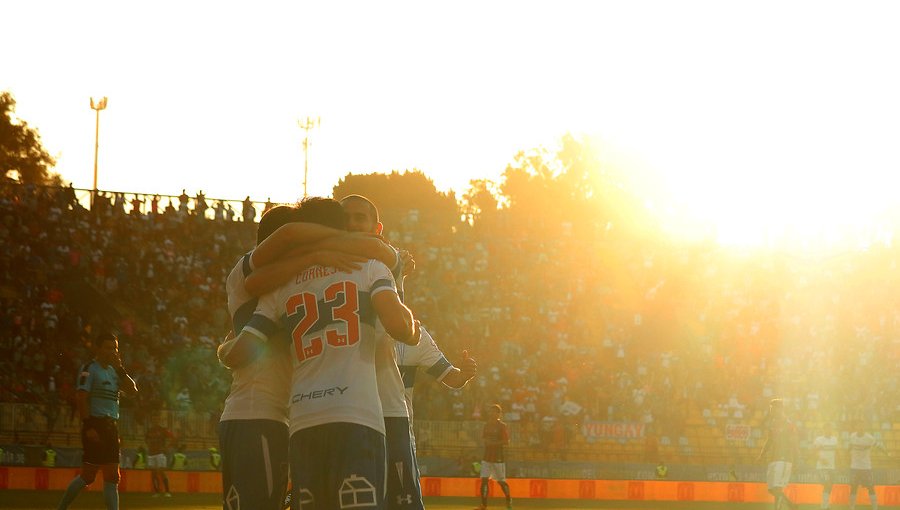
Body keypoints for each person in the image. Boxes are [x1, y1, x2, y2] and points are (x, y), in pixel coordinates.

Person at [219, 197, 422, 510]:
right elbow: (399, 323)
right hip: (328, 412)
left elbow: (241, 350)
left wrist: (225, 349)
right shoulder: (368, 266)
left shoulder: (275, 289)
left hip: (298, 417)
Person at [341, 193, 478, 510]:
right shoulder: (347, 313)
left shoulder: (417, 337)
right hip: (353, 413)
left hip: (394, 421)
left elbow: (452, 379)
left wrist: (466, 373)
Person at [57, 332, 138, 510]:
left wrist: (120, 368)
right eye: (108, 347)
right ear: (98, 349)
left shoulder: (115, 371)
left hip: (111, 427)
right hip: (95, 424)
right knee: (88, 476)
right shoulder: (89, 369)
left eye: (115, 348)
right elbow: (81, 397)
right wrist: (88, 426)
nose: (112, 352)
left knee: (113, 476)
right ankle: (61, 508)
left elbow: (133, 391)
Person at [757, 399, 798, 510]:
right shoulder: (774, 423)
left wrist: (795, 461)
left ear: (780, 409)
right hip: (774, 458)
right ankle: (791, 505)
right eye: (770, 409)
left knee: (777, 488)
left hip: (784, 458)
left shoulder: (789, 424)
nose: (771, 411)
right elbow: (770, 440)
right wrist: (762, 454)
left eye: (773, 409)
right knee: (771, 489)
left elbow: (794, 443)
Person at [477, 404, 512, 510]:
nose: (492, 413)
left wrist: (494, 443)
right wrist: (486, 442)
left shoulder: (502, 426)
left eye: (494, 411)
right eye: (490, 411)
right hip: (487, 457)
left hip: (498, 458)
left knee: (501, 482)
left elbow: (506, 442)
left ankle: (508, 499)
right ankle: (484, 505)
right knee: (484, 480)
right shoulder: (486, 425)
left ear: (499, 414)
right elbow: (483, 438)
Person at [848, 420, 888, 510]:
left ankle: (875, 508)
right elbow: (849, 446)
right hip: (854, 466)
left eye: (862, 426)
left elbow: (878, 445)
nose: (860, 428)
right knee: (854, 487)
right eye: (859, 426)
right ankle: (851, 508)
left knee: (870, 487)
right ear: (856, 427)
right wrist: (847, 453)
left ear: (864, 428)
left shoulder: (869, 438)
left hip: (866, 467)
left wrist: (886, 452)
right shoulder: (852, 436)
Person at [146, 417, 174, 497]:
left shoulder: (163, 430)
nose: (155, 421)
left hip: (160, 454)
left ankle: (167, 491)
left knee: (162, 472)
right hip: (151, 454)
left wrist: (167, 447)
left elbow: (173, 438)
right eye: (153, 420)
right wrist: (150, 446)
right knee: (153, 474)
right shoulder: (149, 430)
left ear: (159, 420)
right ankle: (157, 492)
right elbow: (146, 439)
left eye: (156, 419)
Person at [813, 422, 838, 510]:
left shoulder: (835, 440)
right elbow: (814, 452)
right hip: (822, 467)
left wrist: (839, 463)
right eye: (827, 428)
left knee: (830, 485)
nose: (828, 430)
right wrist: (821, 459)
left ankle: (826, 505)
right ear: (824, 430)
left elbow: (837, 452)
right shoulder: (819, 440)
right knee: (827, 484)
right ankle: (824, 506)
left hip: (832, 467)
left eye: (830, 428)